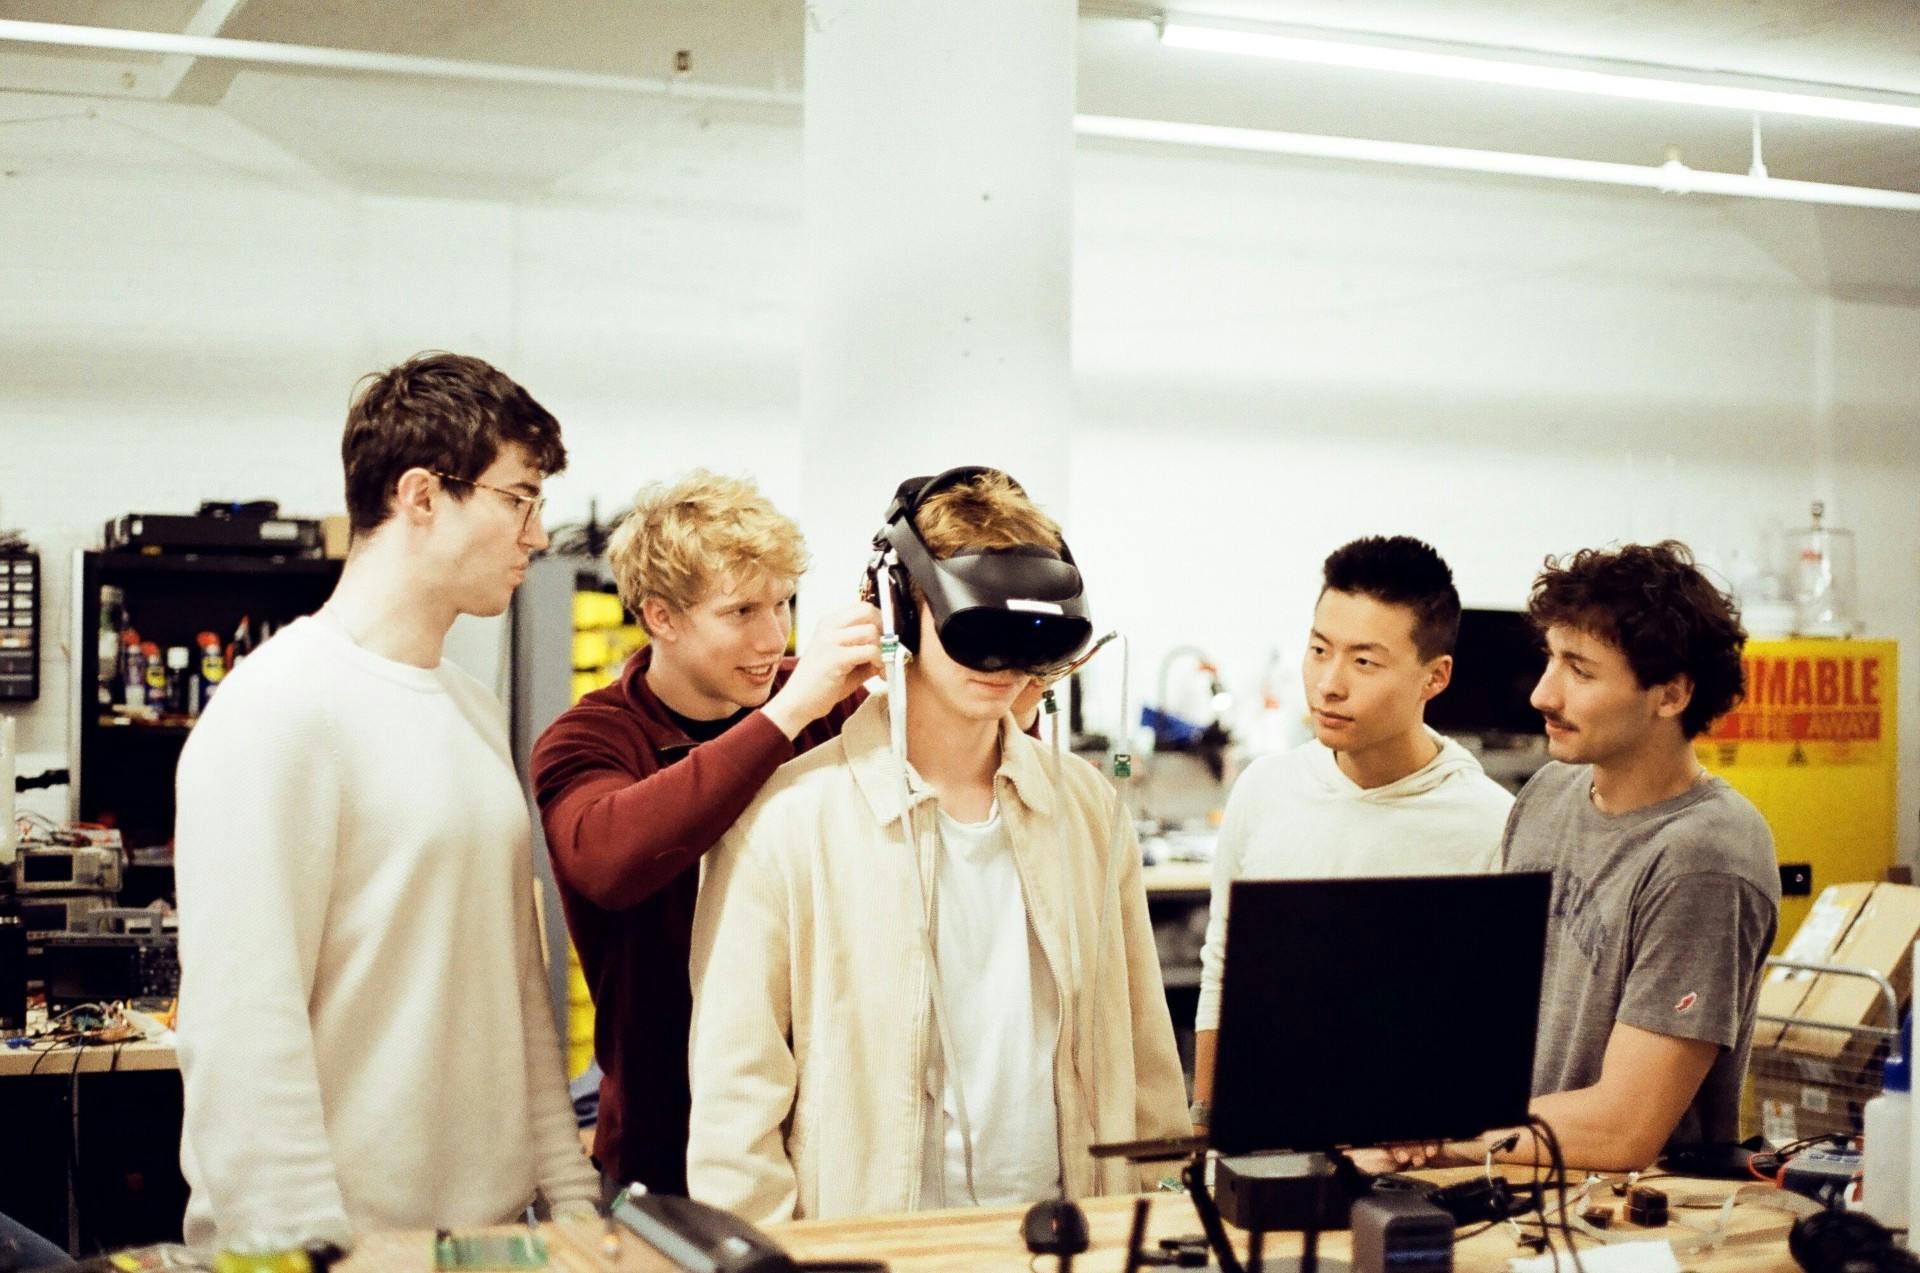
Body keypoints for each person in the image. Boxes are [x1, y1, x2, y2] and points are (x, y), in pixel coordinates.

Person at [685, 468, 1188, 1225]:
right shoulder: (787, 821)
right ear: (899, 610)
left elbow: (1147, 1055)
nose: (1003, 663)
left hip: (1071, 1230)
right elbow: (736, 1101)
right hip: (875, 1239)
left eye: (1025, 635)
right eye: (976, 629)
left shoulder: (1086, 809)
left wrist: (1159, 1224)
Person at [173, 353, 598, 1248]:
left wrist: (570, 1200)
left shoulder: (473, 711)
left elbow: (518, 988)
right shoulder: (276, 709)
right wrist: (303, 1254)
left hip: (486, 1239)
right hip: (335, 1247)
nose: (537, 533)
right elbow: (246, 1028)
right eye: (520, 498)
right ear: (421, 496)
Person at [1376, 540, 1777, 1173]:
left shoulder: (1705, 857)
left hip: (1629, 1212)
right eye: (1550, 660)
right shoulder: (1549, 793)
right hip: (1510, 1176)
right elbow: (1492, 1009)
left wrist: (1446, 1133)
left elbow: (1624, 1128)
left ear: (1670, 696)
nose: (1542, 694)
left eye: (1580, 671)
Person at [530, 470, 878, 1197]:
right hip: (668, 1140)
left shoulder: (824, 704)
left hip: (834, 1123)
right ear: (661, 616)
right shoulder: (589, 737)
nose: (772, 635)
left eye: (782, 602)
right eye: (741, 609)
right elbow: (611, 857)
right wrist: (785, 714)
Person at [1189, 535, 1513, 1134]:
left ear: (1434, 678)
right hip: (1263, 1134)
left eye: (1364, 661)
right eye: (1319, 650)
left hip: (1418, 1154)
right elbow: (1223, 968)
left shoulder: (1491, 824)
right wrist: (1208, 1122)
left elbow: (1493, 1025)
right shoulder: (1266, 790)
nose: (1329, 684)